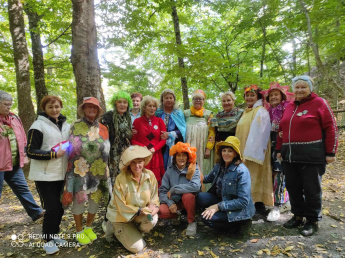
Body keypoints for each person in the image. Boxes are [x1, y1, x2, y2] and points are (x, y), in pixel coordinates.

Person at [276, 75, 338, 236]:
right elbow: (281, 131)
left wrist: (331, 152)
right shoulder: (289, 106)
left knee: (312, 190)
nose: (300, 90)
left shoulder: (319, 103)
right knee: (293, 188)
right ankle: (297, 216)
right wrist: (278, 150)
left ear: (310, 88)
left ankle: (312, 221)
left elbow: (331, 127)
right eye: (297, 87)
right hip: (289, 157)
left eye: (304, 86)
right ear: (293, 89)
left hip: (312, 156)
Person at [61, 97, 111, 245]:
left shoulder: (103, 128)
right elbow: (69, 147)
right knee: (79, 201)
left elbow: (107, 148)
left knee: (95, 201)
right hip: (79, 170)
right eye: (88, 107)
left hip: (98, 170)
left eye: (94, 108)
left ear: (98, 110)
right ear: (83, 109)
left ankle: (89, 227)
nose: (91, 110)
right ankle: (79, 230)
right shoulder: (74, 126)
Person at [26, 95, 70, 254]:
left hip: (61, 174)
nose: (55, 110)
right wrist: (52, 155)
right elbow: (30, 151)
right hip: (44, 176)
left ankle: (54, 235)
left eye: (57, 106)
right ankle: (48, 240)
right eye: (51, 107)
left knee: (59, 208)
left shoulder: (66, 125)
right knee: (51, 208)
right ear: (44, 108)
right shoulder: (38, 126)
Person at [106, 145, 159, 253]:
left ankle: (131, 232)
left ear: (144, 162)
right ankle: (113, 227)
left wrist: (154, 207)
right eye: (133, 162)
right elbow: (121, 206)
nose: (137, 165)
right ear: (129, 164)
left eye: (139, 161)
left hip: (139, 214)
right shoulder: (121, 179)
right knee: (139, 247)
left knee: (152, 219)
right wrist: (139, 210)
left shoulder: (150, 175)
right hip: (121, 216)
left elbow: (154, 197)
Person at [196, 136, 255, 234]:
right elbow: (207, 179)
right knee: (200, 197)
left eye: (230, 151)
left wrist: (218, 206)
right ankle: (222, 217)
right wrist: (192, 174)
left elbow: (243, 201)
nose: (226, 154)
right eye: (224, 150)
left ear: (235, 154)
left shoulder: (241, 171)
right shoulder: (219, 165)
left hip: (238, 209)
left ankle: (238, 225)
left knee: (206, 219)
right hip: (223, 200)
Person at [0, 91, 43, 222]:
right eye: (6, 104)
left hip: (13, 162)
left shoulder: (14, 118)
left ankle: (36, 213)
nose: (9, 107)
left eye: (10, 104)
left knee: (22, 188)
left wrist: (24, 154)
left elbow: (23, 137)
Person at [235, 85, 273, 214]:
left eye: (252, 95)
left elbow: (260, 134)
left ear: (258, 96)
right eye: (247, 95)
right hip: (242, 150)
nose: (249, 97)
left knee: (256, 175)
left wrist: (250, 153)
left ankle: (258, 203)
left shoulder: (261, 111)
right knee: (245, 177)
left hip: (254, 151)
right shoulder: (245, 112)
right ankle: (245, 202)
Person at [261, 83, 292, 222]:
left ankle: (278, 205)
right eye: (271, 95)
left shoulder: (287, 108)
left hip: (283, 144)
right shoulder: (268, 111)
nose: (273, 97)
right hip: (270, 144)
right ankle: (273, 200)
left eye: (276, 94)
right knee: (272, 172)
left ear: (282, 96)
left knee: (280, 173)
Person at [159, 142, 201, 236]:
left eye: (184, 156)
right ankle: (176, 215)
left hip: (189, 201)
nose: (181, 158)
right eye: (178, 155)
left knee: (188, 195)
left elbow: (196, 186)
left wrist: (175, 188)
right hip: (174, 201)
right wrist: (170, 203)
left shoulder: (193, 168)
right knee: (162, 211)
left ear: (188, 157)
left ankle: (191, 222)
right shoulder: (169, 170)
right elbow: (162, 191)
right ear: (175, 157)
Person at [131, 96, 166, 186]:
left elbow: (163, 140)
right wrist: (143, 147)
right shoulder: (137, 122)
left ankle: (155, 199)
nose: (152, 108)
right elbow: (133, 140)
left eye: (154, 106)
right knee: (142, 178)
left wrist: (154, 148)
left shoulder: (160, 121)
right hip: (142, 156)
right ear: (144, 107)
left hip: (156, 155)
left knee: (155, 179)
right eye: (149, 106)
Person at [100, 91, 133, 185]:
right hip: (112, 154)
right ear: (115, 103)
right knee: (113, 176)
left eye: (125, 102)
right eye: (120, 102)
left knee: (125, 175)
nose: (122, 105)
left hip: (125, 153)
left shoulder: (128, 118)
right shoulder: (107, 117)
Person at [205, 91, 243, 167]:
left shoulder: (240, 113)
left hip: (233, 147)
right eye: (224, 101)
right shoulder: (217, 116)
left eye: (228, 100)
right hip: (219, 147)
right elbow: (212, 132)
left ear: (233, 100)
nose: (226, 103)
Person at [184, 89, 213, 178]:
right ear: (192, 100)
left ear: (204, 101)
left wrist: (208, 148)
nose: (198, 101)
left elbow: (212, 132)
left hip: (203, 146)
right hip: (189, 145)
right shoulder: (185, 113)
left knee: (203, 168)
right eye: (195, 98)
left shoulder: (208, 114)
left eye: (200, 99)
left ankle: (203, 188)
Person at [156, 89, 186, 170]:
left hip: (174, 143)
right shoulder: (158, 112)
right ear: (162, 100)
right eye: (166, 98)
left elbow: (182, 130)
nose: (169, 100)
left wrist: (170, 134)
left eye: (171, 98)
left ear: (174, 99)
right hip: (158, 142)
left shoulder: (178, 112)